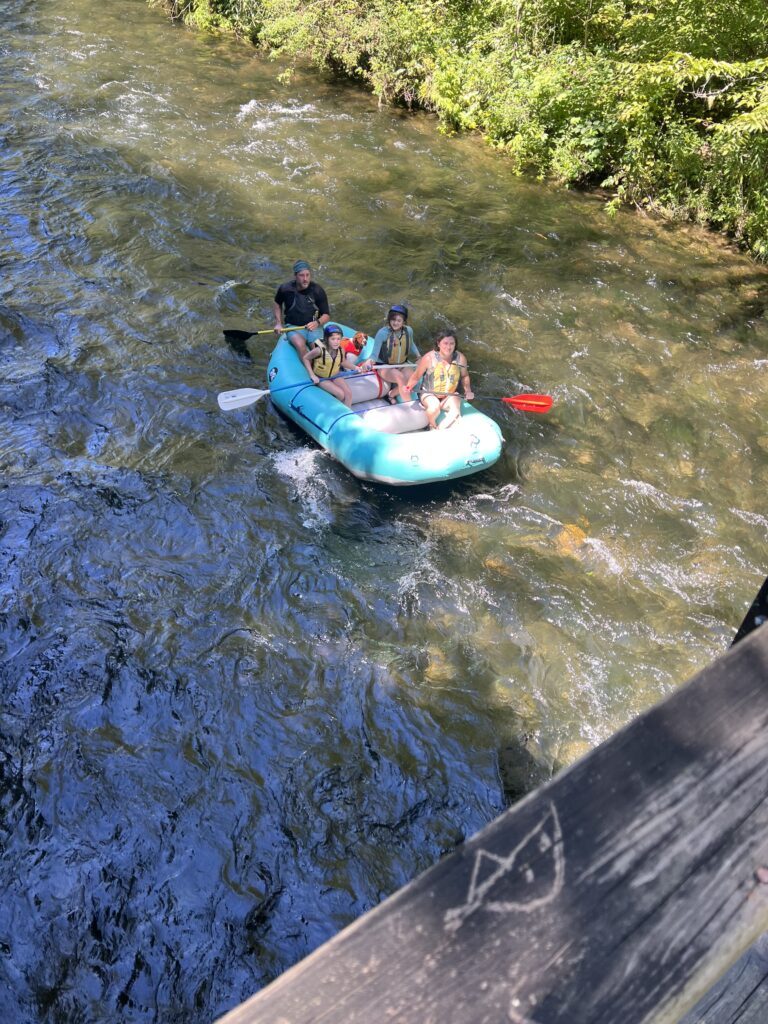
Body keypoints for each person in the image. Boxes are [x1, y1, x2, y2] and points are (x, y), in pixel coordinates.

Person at [402, 329, 474, 429]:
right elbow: (416, 376)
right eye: (445, 343)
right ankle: (431, 425)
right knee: (434, 408)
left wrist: (468, 390)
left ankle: (439, 429)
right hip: (429, 393)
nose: (448, 347)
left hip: (449, 394)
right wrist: (409, 387)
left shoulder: (460, 358)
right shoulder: (429, 358)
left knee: (455, 411)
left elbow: (464, 376)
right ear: (438, 343)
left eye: (452, 343)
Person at [358, 304, 419, 404]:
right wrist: (369, 361)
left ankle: (391, 394)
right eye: (393, 319)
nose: (395, 323)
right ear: (389, 319)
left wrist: (418, 356)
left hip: (401, 364)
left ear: (404, 322)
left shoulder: (409, 331)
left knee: (413, 378)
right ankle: (408, 405)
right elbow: (374, 355)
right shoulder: (382, 333)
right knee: (400, 377)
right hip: (384, 366)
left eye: (399, 321)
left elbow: (411, 343)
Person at [273, 260, 331, 359]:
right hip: (293, 327)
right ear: (295, 276)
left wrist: (317, 323)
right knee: (300, 346)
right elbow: (277, 303)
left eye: (307, 275)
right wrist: (278, 323)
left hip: (313, 326)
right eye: (301, 275)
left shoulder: (317, 290)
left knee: (320, 352)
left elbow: (326, 315)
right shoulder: (285, 289)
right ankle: (310, 372)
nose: (305, 279)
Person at [302, 323, 353, 406]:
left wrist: (356, 367)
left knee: (349, 394)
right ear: (326, 339)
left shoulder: (341, 350)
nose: (336, 342)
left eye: (338, 339)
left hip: (335, 375)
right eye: (333, 339)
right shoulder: (319, 350)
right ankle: (337, 411)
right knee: (340, 394)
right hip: (321, 377)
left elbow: (343, 362)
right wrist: (312, 375)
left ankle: (348, 414)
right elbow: (306, 358)